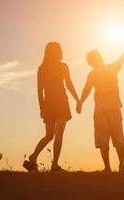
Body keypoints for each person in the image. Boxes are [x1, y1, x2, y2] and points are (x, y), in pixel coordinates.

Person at [23, 42, 79, 172]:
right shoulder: (56, 67)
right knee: (55, 135)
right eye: (60, 50)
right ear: (55, 52)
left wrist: (42, 107)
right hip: (58, 103)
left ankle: (34, 157)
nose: (62, 52)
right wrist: (76, 99)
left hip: (50, 104)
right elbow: (67, 84)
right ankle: (53, 164)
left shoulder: (43, 68)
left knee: (50, 135)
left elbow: (40, 90)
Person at [76, 47, 124, 173]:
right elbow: (121, 59)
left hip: (102, 109)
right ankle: (121, 166)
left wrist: (80, 102)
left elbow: (87, 89)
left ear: (90, 62)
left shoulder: (93, 74)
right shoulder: (111, 68)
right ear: (100, 58)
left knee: (103, 138)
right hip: (112, 107)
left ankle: (108, 168)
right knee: (118, 137)